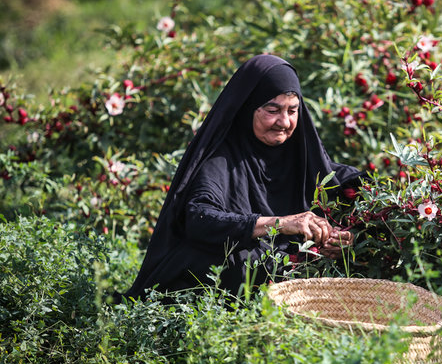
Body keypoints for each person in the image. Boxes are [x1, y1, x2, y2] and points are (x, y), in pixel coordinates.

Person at [122, 54, 362, 300]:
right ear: (249, 107)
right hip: (243, 268)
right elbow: (198, 217)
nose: (284, 121)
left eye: (293, 110)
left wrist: (344, 236)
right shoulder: (222, 158)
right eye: (273, 110)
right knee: (240, 261)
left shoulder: (302, 154)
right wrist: (280, 224)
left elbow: (345, 190)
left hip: (287, 264)